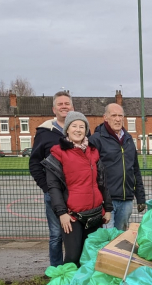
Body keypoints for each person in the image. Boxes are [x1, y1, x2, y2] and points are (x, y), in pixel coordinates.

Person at [42, 112, 112, 266]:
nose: (78, 130)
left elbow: (102, 182)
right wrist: (62, 213)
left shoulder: (93, 152)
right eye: (74, 126)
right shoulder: (57, 154)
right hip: (73, 216)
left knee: (90, 257)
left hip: (95, 214)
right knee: (73, 257)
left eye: (82, 126)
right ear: (67, 129)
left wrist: (107, 208)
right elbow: (54, 188)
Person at [29, 91, 74, 266]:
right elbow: (34, 163)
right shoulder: (45, 133)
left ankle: (73, 268)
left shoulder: (80, 129)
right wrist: (47, 187)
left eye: (67, 103)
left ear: (72, 107)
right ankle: (56, 270)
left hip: (76, 192)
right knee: (56, 235)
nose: (64, 106)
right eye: (60, 104)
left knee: (75, 234)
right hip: (54, 194)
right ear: (54, 109)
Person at [89, 103, 146, 230]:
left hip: (126, 200)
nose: (118, 119)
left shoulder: (129, 139)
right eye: (114, 115)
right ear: (105, 117)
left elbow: (135, 170)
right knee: (107, 238)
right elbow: (90, 171)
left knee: (119, 238)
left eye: (120, 115)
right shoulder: (96, 139)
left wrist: (140, 197)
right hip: (105, 201)